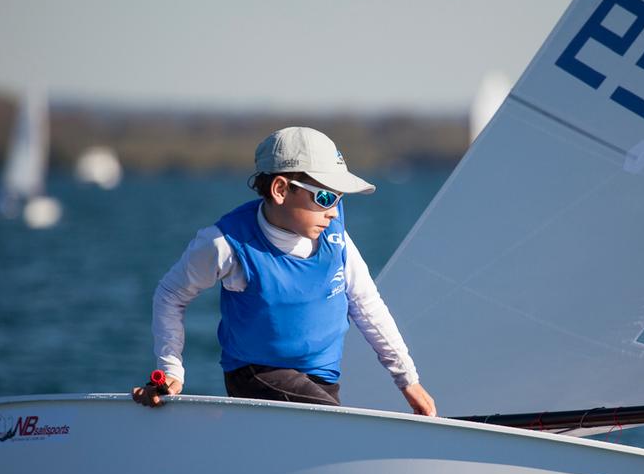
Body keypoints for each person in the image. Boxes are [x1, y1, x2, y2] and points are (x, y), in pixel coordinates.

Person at [132, 126, 436, 416]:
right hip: (256, 374)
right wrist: (171, 369)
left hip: (322, 378)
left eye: (340, 198)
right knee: (332, 425)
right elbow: (170, 294)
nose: (333, 211)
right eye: (325, 197)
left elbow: (366, 304)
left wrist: (407, 379)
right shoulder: (224, 243)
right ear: (280, 189)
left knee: (325, 434)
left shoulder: (336, 235)